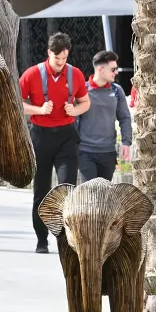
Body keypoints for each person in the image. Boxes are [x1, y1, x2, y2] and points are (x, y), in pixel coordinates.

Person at [19, 32, 90, 254]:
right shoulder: (32, 74)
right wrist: (39, 110)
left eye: (64, 59)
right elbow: (17, 103)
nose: (61, 63)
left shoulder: (75, 74)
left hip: (66, 137)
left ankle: (65, 238)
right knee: (41, 190)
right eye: (57, 58)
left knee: (67, 189)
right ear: (49, 53)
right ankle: (41, 239)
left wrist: (75, 110)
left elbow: (85, 102)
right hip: (40, 136)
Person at [77, 50, 132, 183]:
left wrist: (126, 142)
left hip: (108, 153)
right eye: (113, 69)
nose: (116, 72)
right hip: (85, 152)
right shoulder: (82, 90)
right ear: (101, 69)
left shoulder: (117, 91)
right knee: (91, 192)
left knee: (104, 194)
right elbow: (72, 118)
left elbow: (124, 117)